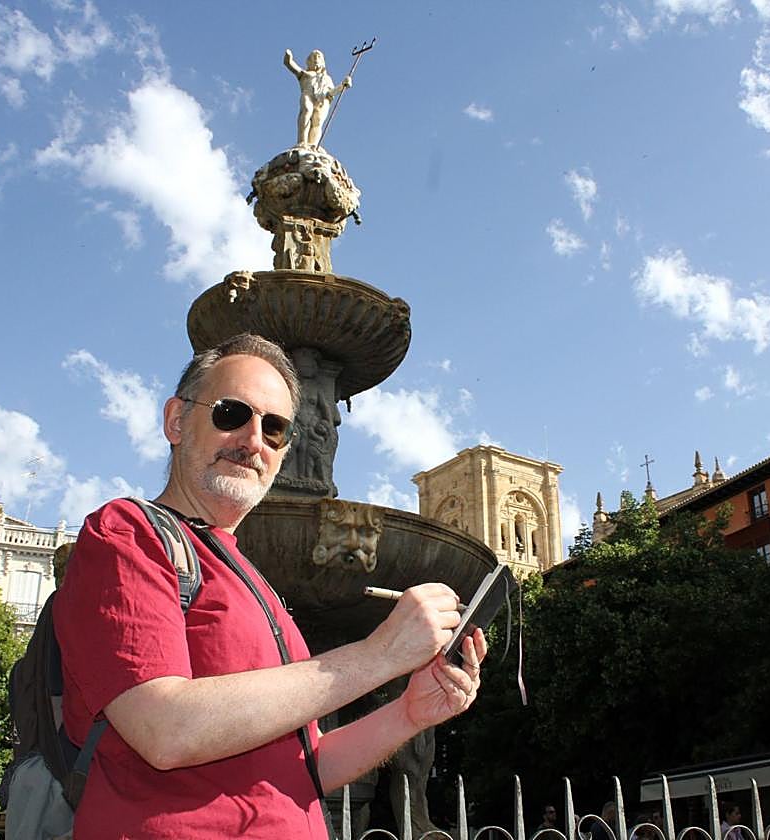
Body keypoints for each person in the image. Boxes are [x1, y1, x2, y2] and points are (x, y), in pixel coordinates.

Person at [53, 333, 487, 839]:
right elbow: (164, 729)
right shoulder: (127, 533)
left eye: (276, 428)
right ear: (176, 420)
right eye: (231, 413)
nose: (254, 440)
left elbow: (305, 767)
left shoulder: (257, 584)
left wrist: (409, 713)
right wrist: (381, 654)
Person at [285, 48, 352, 147]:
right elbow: (293, 67)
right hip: (308, 94)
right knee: (307, 110)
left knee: (318, 121)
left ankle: (313, 145)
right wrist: (288, 60)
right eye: (313, 57)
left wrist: (343, 85)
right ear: (309, 62)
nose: (316, 59)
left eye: (318, 57)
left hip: (322, 99)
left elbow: (331, 92)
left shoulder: (327, 79)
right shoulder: (306, 74)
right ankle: (302, 141)